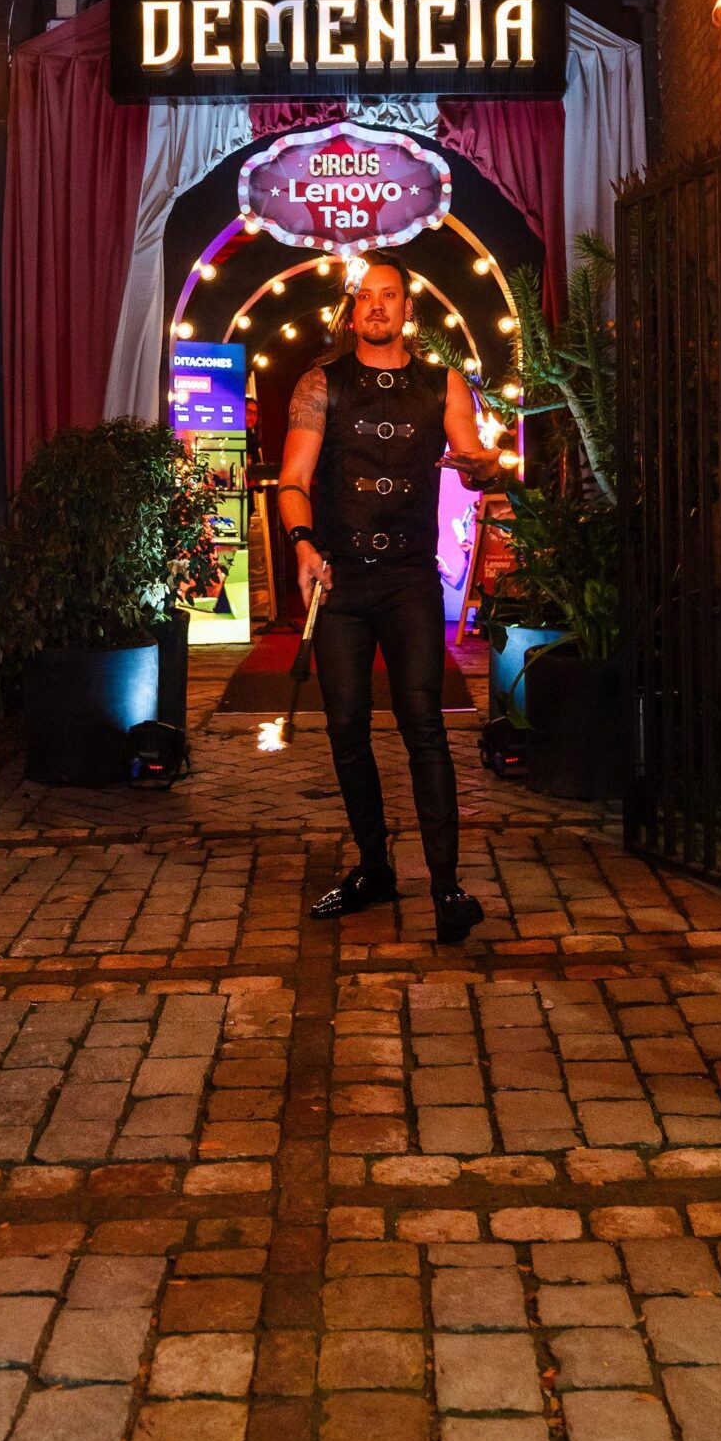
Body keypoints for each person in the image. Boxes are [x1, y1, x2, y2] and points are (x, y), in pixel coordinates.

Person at [276, 253, 503, 944]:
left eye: (390, 295)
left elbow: (471, 463)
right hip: (340, 580)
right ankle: (373, 868)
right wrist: (303, 545)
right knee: (346, 728)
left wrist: (483, 467)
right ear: (353, 311)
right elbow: (293, 479)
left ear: (408, 308)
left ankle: (446, 887)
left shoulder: (442, 384)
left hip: (408, 580)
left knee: (423, 726)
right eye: (366, 296)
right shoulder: (320, 383)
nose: (377, 305)